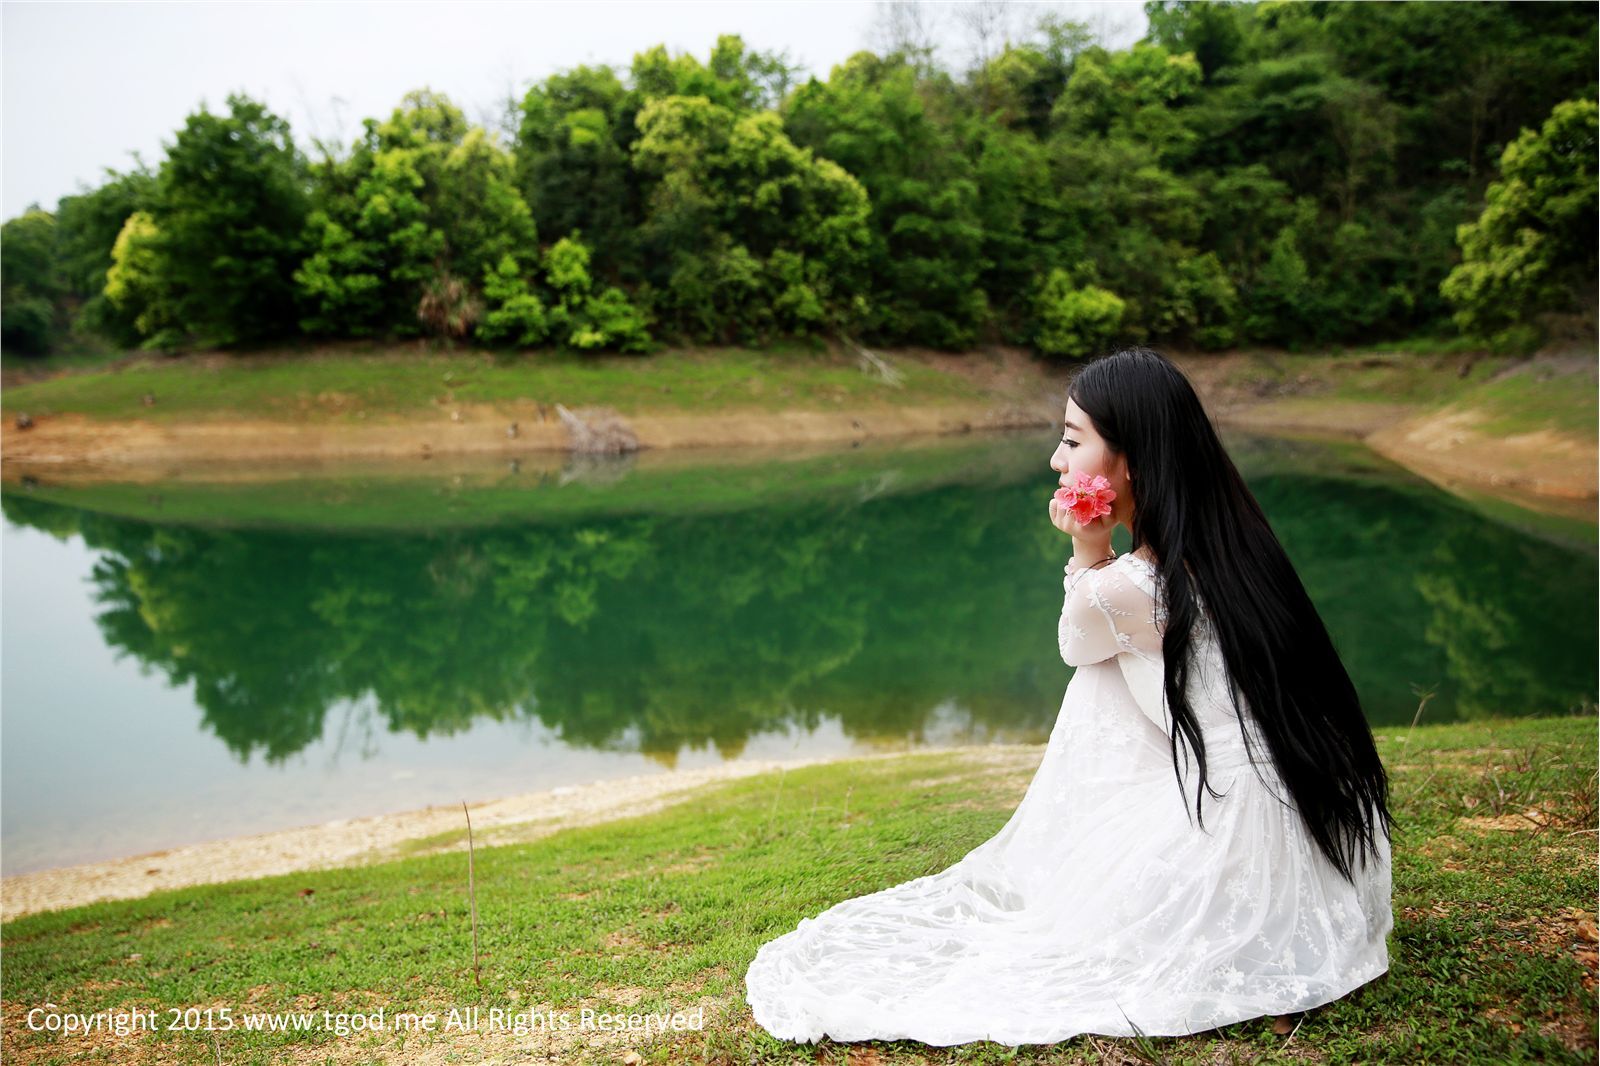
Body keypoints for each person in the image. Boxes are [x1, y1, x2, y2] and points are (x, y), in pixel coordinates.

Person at [743, 346, 1394, 1047]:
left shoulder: (1131, 586)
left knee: (1097, 668)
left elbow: (1076, 642)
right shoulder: (1234, 549)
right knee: (1118, 660)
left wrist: (1090, 549)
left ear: (1132, 462)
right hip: (1312, 831)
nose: (1057, 459)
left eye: (1073, 438)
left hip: (1230, 846)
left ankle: (1080, 855)